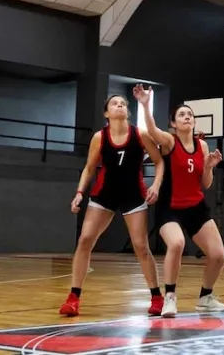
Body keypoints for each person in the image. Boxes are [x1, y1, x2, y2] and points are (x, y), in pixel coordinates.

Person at [59, 95, 164, 317]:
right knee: (85, 240)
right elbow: (89, 168)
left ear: (127, 112)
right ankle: (73, 297)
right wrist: (79, 193)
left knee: (141, 247)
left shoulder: (140, 134)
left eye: (124, 104)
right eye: (115, 103)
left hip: (133, 195)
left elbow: (159, 161)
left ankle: (156, 296)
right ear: (106, 113)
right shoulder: (100, 137)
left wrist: (155, 184)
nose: (120, 106)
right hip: (104, 194)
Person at [134, 85, 224, 317]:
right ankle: (170, 296)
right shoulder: (169, 141)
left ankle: (206, 297)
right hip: (171, 208)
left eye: (190, 114)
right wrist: (145, 104)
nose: (187, 117)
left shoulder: (203, 145)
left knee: (218, 255)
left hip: (195, 207)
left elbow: (206, 184)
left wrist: (208, 167)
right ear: (174, 123)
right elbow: (153, 130)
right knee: (176, 244)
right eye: (182, 115)